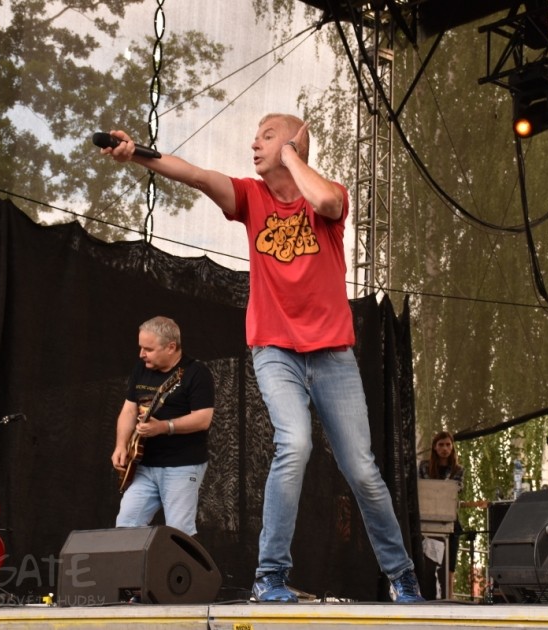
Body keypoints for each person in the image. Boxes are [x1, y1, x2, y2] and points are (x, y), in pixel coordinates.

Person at [100, 114, 424, 603]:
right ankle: (270, 575)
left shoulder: (327, 197)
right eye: (255, 136)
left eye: (267, 136)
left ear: (295, 144)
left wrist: (291, 156)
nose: (254, 143)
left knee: (361, 469)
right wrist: (138, 154)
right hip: (275, 350)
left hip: (333, 355)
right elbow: (195, 175)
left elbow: (327, 202)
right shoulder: (251, 198)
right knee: (294, 444)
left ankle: (402, 575)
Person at [111, 316, 215, 537]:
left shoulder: (196, 372)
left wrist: (164, 427)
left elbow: (203, 418)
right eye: (140, 347)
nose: (141, 354)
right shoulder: (141, 369)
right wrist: (121, 445)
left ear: (171, 347)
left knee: (178, 534)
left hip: (182, 465)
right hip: (143, 465)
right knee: (126, 526)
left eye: (148, 349)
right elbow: (129, 410)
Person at [418, 431, 463, 599]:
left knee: (450, 563)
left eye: (448, 445)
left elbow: (455, 490)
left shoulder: (458, 470)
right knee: (429, 562)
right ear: (434, 447)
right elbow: (422, 490)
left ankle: (449, 596)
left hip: (449, 520)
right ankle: (427, 596)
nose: (445, 448)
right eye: (441, 445)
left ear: (452, 447)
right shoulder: (424, 466)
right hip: (428, 520)